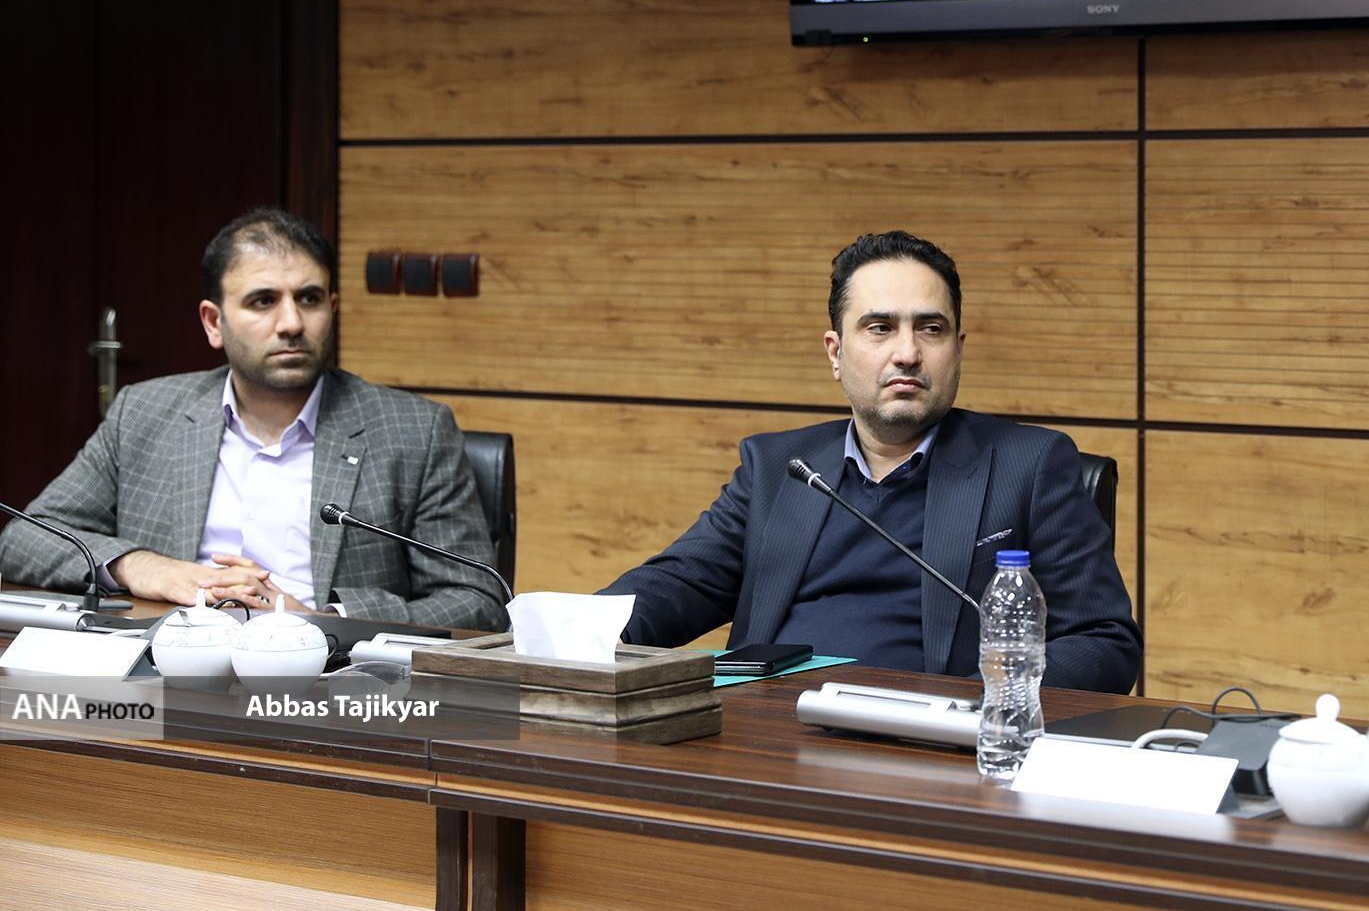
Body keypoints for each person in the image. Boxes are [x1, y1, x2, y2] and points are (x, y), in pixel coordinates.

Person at [600, 231, 1139, 692]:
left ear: (958, 349)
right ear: (836, 353)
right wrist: (572, 629)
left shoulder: (1029, 465)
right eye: (880, 328)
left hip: (930, 748)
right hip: (765, 740)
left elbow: (1103, 642)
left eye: (930, 329)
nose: (907, 353)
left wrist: (974, 704)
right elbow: (675, 586)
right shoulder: (778, 467)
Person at [0, 209, 506, 630]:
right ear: (213, 323)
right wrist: (144, 567)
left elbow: (478, 600)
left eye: (309, 299)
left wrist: (324, 618)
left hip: (328, 680)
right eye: (263, 301)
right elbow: (24, 539)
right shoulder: (145, 413)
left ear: (332, 309)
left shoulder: (414, 432)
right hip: (167, 662)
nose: (291, 323)